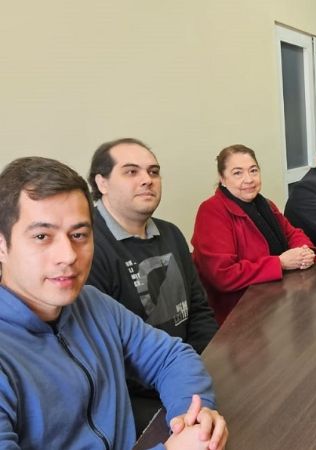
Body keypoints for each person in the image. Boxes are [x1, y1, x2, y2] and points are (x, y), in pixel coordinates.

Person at [0, 157, 228, 449]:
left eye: (79, 235)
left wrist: (192, 417)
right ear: (3, 246)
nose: (68, 255)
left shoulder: (93, 304)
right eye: (42, 236)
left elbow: (171, 357)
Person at [87, 137, 219, 434]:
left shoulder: (171, 233)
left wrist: (210, 365)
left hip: (184, 377)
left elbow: (198, 311)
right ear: (102, 182)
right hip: (136, 400)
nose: (147, 180)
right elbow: (105, 361)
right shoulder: (88, 247)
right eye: (131, 172)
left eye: (154, 171)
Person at [191, 144, 316, 324]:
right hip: (237, 315)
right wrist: (280, 263)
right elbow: (223, 275)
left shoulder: (264, 204)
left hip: (276, 302)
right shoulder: (212, 211)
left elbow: (293, 233)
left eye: (253, 171)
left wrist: (304, 250)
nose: (249, 179)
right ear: (222, 178)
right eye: (237, 173)